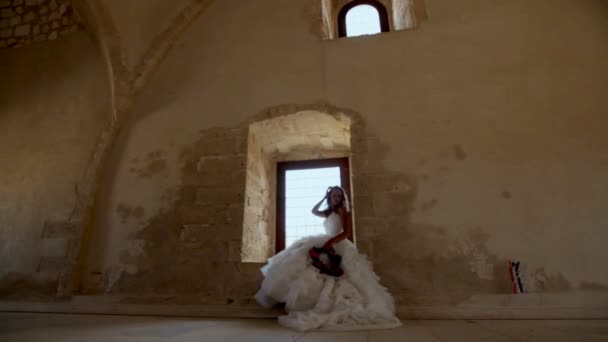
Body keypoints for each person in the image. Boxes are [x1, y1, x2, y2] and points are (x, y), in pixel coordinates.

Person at [255, 186, 401, 331]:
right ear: (330, 197)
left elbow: (347, 233)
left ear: (342, 198)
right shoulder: (329, 211)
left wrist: (330, 243)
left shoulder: (343, 210)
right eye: (334, 196)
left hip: (338, 243)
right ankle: (314, 304)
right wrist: (324, 198)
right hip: (326, 240)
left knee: (338, 275)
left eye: (339, 196)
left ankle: (333, 306)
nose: (336, 198)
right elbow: (313, 211)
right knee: (308, 265)